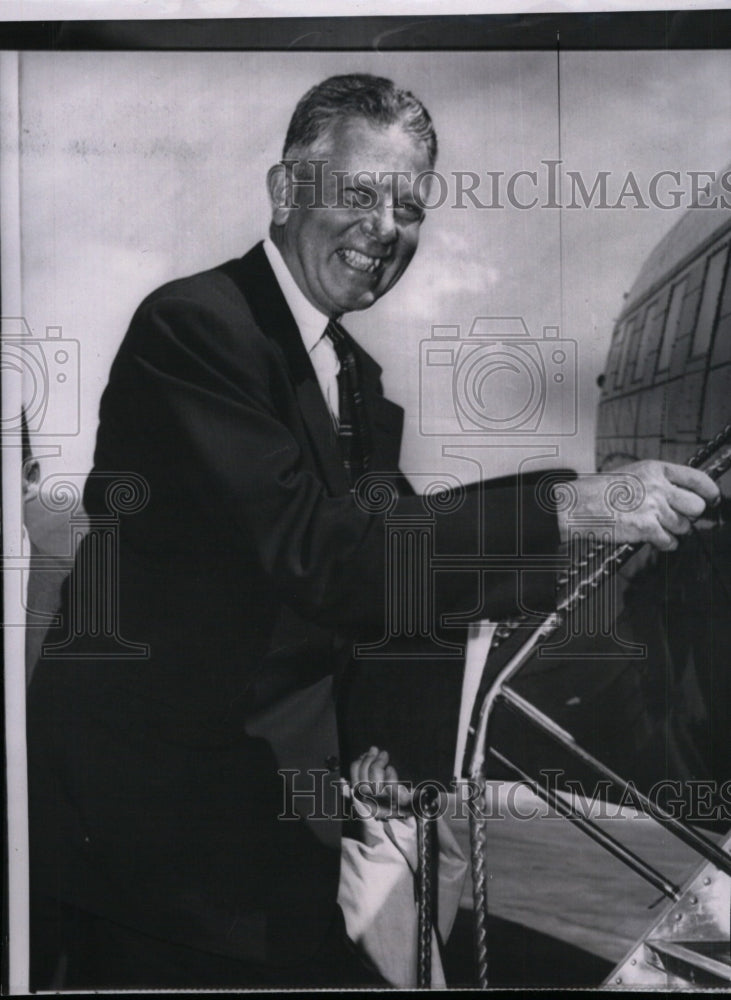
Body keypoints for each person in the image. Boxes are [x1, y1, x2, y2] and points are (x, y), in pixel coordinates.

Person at [26, 73, 719, 991]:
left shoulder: (352, 377)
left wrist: (396, 744)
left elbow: (393, 578)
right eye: (356, 193)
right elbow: (323, 557)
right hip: (165, 848)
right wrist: (568, 506)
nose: (384, 227)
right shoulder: (196, 333)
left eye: (408, 205)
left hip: (269, 825)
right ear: (285, 191)